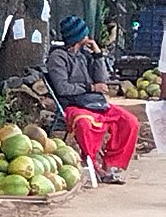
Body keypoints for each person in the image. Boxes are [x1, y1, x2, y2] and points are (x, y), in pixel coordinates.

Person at [46, 15, 139, 184]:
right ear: (79, 37)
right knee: (85, 124)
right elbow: (63, 88)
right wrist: (91, 88)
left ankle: (111, 164)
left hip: (96, 103)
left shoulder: (85, 55)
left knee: (130, 122)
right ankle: (94, 166)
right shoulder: (58, 58)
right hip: (75, 105)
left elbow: (101, 79)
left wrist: (97, 55)